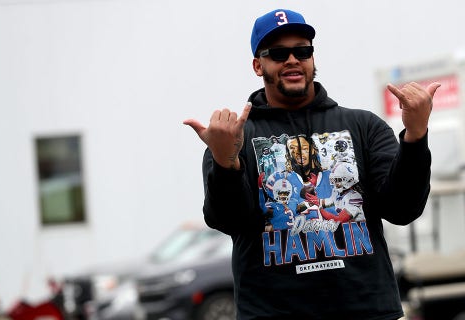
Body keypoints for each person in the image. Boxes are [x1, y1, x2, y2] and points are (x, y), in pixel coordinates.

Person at [184, 8, 438, 320]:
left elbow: (403, 209)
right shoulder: (236, 138)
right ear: (257, 64)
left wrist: (415, 135)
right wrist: (225, 162)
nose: (292, 60)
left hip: (368, 312)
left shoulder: (364, 126)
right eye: (278, 53)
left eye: (302, 51)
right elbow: (227, 220)